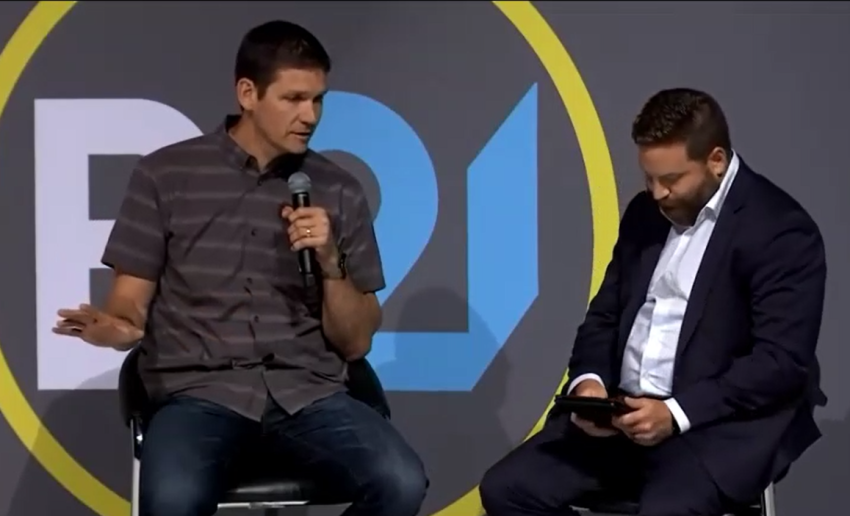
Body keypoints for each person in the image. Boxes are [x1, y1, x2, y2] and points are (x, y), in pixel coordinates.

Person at [52, 20, 428, 516]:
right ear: (248, 93)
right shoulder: (165, 176)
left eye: (318, 100)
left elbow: (356, 342)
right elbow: (128, 308)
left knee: (401, 481)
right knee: (171, 500)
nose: (310, 115)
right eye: (293, 99)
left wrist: (332, 264)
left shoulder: (338, 189)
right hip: (198, 397)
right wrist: (114, 329)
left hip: (309, 394)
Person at [479, 88, 827, 516]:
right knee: (506, 489)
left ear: (715, 161)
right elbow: (604, 317)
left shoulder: (780, 231)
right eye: (648, 178)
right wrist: (589, 384)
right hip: (621, 421)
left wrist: (675, 413)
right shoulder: (644, 214)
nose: (657, 193)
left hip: (711, 430)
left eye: (671, 180)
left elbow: (780, 362)